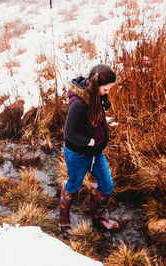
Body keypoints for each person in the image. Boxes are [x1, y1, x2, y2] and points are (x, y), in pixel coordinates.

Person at [60, 64, 119, 232]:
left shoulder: (95, 96)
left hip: (96, 154)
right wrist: (90, 142)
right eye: (106, 89)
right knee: (72, 185)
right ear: (95, 85)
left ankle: (98, 219)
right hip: (77, 154)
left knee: (107, 186)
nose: (107, 92)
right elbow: (68, 133)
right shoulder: (78, 103)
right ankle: (64, 221)